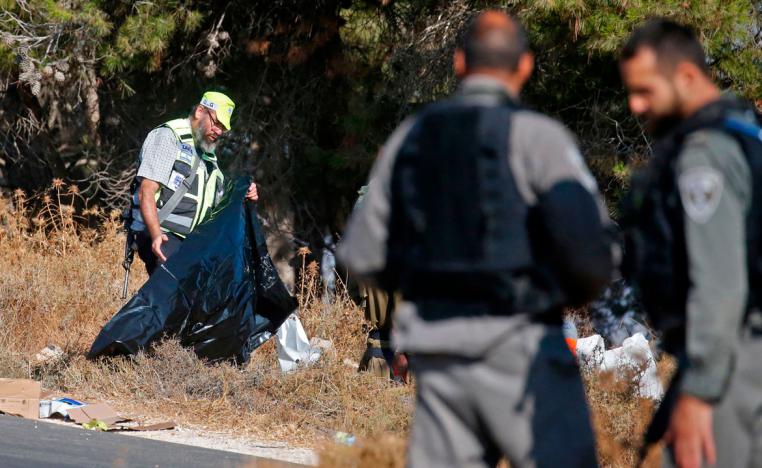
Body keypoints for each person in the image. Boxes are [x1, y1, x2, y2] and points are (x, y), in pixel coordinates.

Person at [338, 10, 614, 468]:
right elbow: (593, 260)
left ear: (459, 62)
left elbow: (361, 254)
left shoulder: (413, 139)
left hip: (442, 363)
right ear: (525, 66)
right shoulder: (545, 141)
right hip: (526, 356)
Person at [619, 19, 762, 468]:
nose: (635, 104)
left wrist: (700, 392)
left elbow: (719, 284)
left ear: (685, 76)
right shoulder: (746, 133)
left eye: (645, 90)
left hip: (733, 359)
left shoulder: (705, 155)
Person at [129, 91, 258, 275]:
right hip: (164, 234)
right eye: (216, 123)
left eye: (223, 128)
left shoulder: (208, 155)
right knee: (171, 296)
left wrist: (245, 193)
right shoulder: (168, 136)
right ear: (199, 111)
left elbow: (219, 204)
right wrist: (157, 236)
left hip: (192, 243)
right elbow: (145, 192)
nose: (219, 131)